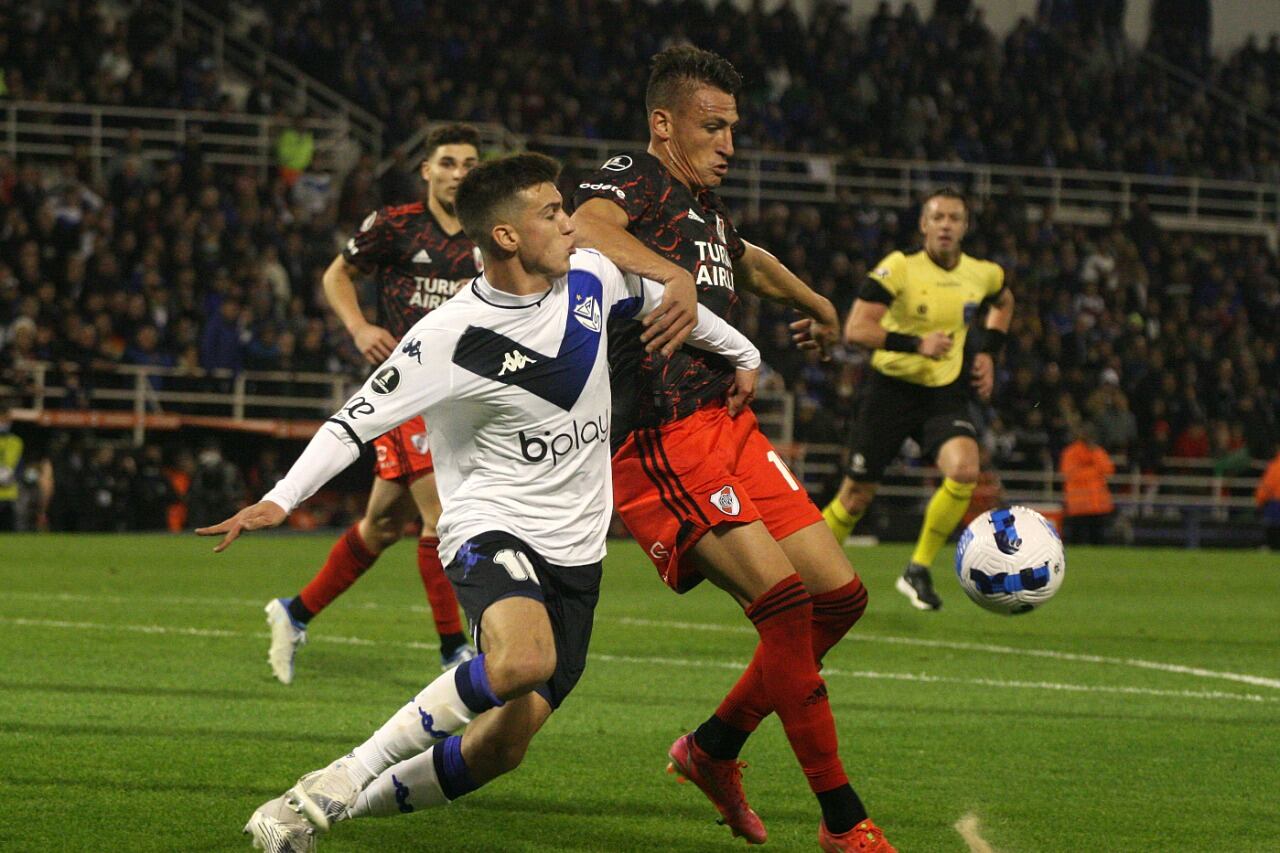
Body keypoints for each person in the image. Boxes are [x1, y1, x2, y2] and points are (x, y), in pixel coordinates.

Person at [198, 153, 760, 852]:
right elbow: (353, 420)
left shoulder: (594, 276)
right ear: (507, 236)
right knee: (522, 658)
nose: (571, 222)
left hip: (577, 550)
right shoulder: (449, 335)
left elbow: (675, 309)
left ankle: (312, 809)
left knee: (499, 748)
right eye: (552, 212)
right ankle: (345, 774)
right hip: (490, 525)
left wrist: (744, 354)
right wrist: (281, 499)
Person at [572, 45, 893, 853]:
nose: (729, 143)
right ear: (663, 124)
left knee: (839, 598)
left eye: (732, 127)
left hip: (727, 425)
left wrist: (818, 302)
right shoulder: (635, 178)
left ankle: (713, 748)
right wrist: (669, 276)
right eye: (712, 127)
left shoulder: (704, 210)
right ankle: (843, 820)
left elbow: (747, 262)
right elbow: (586, 226)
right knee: (784, 606)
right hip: (661, 434)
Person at [264, 124, 484, 683]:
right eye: (448, 163)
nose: (458, 173)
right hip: (406, 390)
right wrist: (360, 326)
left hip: (463, 395)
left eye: (469, 164)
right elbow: (337, 274)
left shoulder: (488, 231)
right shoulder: (396, 225)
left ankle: (294, 612)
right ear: (427, 170)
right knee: (441, 516)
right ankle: (454, 650)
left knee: (382, 526)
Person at [823, 187, 1014, 612]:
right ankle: (805, 573)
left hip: (943, 393)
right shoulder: (900, 267)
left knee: (965, 470)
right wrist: (915, 343)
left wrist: (988, 352)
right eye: (938, 217)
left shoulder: (983, 273)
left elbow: (1004, 302)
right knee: (855, 497)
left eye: (954, 218)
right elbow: (856, 329)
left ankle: (918, 569)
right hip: (890, 389)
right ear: (924, 224)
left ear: (965, 227)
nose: (946, 225)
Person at [1059, 422, 1115, 545]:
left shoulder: (1098, 451)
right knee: (1077, 541)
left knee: (1098, 542)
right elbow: (1071, 474)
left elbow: (1108, 470)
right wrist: (1094, 470)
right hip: (1079, 505)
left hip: (1097, 505)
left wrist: (1090, 463)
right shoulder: (1070, 452)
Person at [0, 399, 22, 532]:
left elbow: (19, 466)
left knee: (9, 533)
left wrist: (11, 476)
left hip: (9, 494)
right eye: (2, 419)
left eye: (7, 419)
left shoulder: (16, 441)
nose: (5, 422)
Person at [1254, 444, 1280, 550]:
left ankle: (1272, 547)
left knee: (1273, 529)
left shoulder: (1276, 466)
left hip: (1276, 503)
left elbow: (1267, 486)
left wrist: (1260, 501)